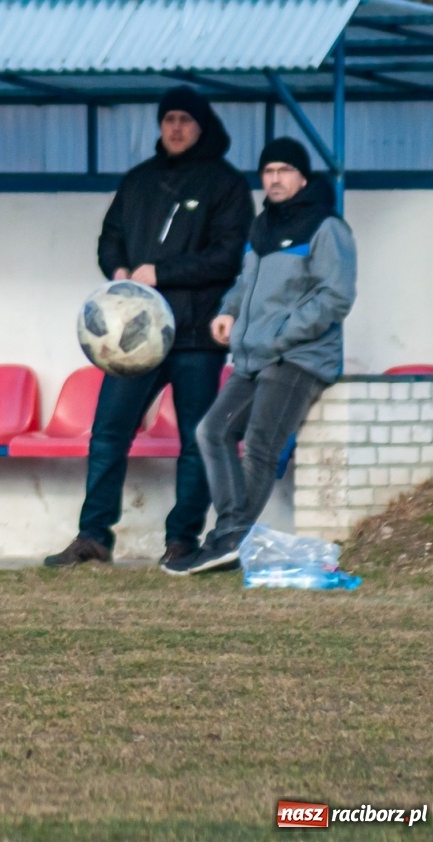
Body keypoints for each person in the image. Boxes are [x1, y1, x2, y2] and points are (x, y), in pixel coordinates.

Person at [45, 87, 254, 569]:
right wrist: (117, 269)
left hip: (196, 336)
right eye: (168, 119)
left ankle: (182, 540)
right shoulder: (139, 181)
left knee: (195, 442)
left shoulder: (225, 184)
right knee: (108, 433)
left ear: (202, 125)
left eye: (185, 119)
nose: (176, 128)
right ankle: (93, 537)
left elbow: (228, 256)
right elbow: (110, 237)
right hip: (131, 340)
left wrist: (163, 273)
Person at [167, 140, 356, 575]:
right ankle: (232, 535)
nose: (275, 178)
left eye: (284, 170)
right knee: (211, 431)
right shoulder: (261, 226)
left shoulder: (327, 227)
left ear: (302, 178)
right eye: (268, 171)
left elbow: (336, 296)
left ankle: (228, 538)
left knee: (260, 447)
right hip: (254, 356)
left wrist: (282, 334)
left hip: (298, 358)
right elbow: (245, 283)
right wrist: (228, 311)